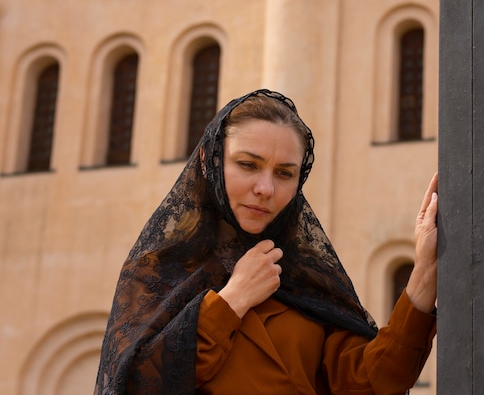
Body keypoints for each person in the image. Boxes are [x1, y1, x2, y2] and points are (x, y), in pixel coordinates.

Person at [94, 89, 438, 395]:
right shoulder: (159, 271)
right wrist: (231, 301)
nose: (266, 189)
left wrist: (423, 274)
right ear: (209, 161)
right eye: (248, 164)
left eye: (284, 173)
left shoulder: (305, 278)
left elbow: (372, 382)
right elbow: (135, 384)